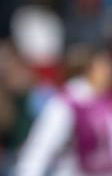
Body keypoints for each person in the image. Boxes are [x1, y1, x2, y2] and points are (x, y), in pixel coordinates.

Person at [14, 45, 112, 176]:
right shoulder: (66, 104)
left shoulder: (106, 100)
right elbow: (39, 149)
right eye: (105, 66)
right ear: (91, 68)